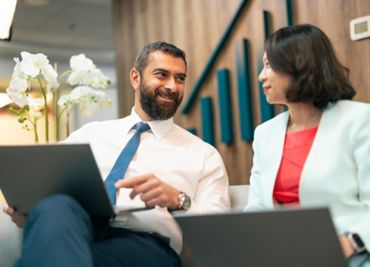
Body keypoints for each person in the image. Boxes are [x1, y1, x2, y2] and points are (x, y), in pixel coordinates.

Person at [3, 42, 230, 267]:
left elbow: (220, 234)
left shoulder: (203, 154)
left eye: (180, 78)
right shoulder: (91, 134)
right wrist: (33, 215)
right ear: (135, 78)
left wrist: (178, 199)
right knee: (55, 207)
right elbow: (47, 186)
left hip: (146, 245)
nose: (172, 86)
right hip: (79, 231)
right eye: (162, 75)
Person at [245, 24, 370, 266]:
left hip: (354, 254)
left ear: (300, 64)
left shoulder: (359, 119)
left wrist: (349, 243)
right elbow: (257, 208)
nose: (261, 76)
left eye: (269, 65)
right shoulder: (266, 134)